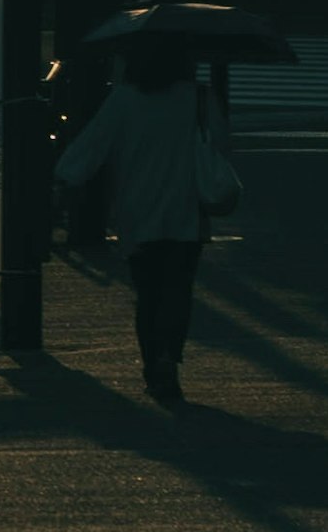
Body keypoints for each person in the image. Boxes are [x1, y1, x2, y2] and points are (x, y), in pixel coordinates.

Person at [52, 35, 242, 407]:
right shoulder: (199, 98)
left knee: (149, 293)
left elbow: (93, 146)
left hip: (138, 210)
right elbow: (221, 145)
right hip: (187, 209)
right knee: (178, 288)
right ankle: (171, 355)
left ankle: (153, 362)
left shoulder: (125, 99)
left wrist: (64, 177)